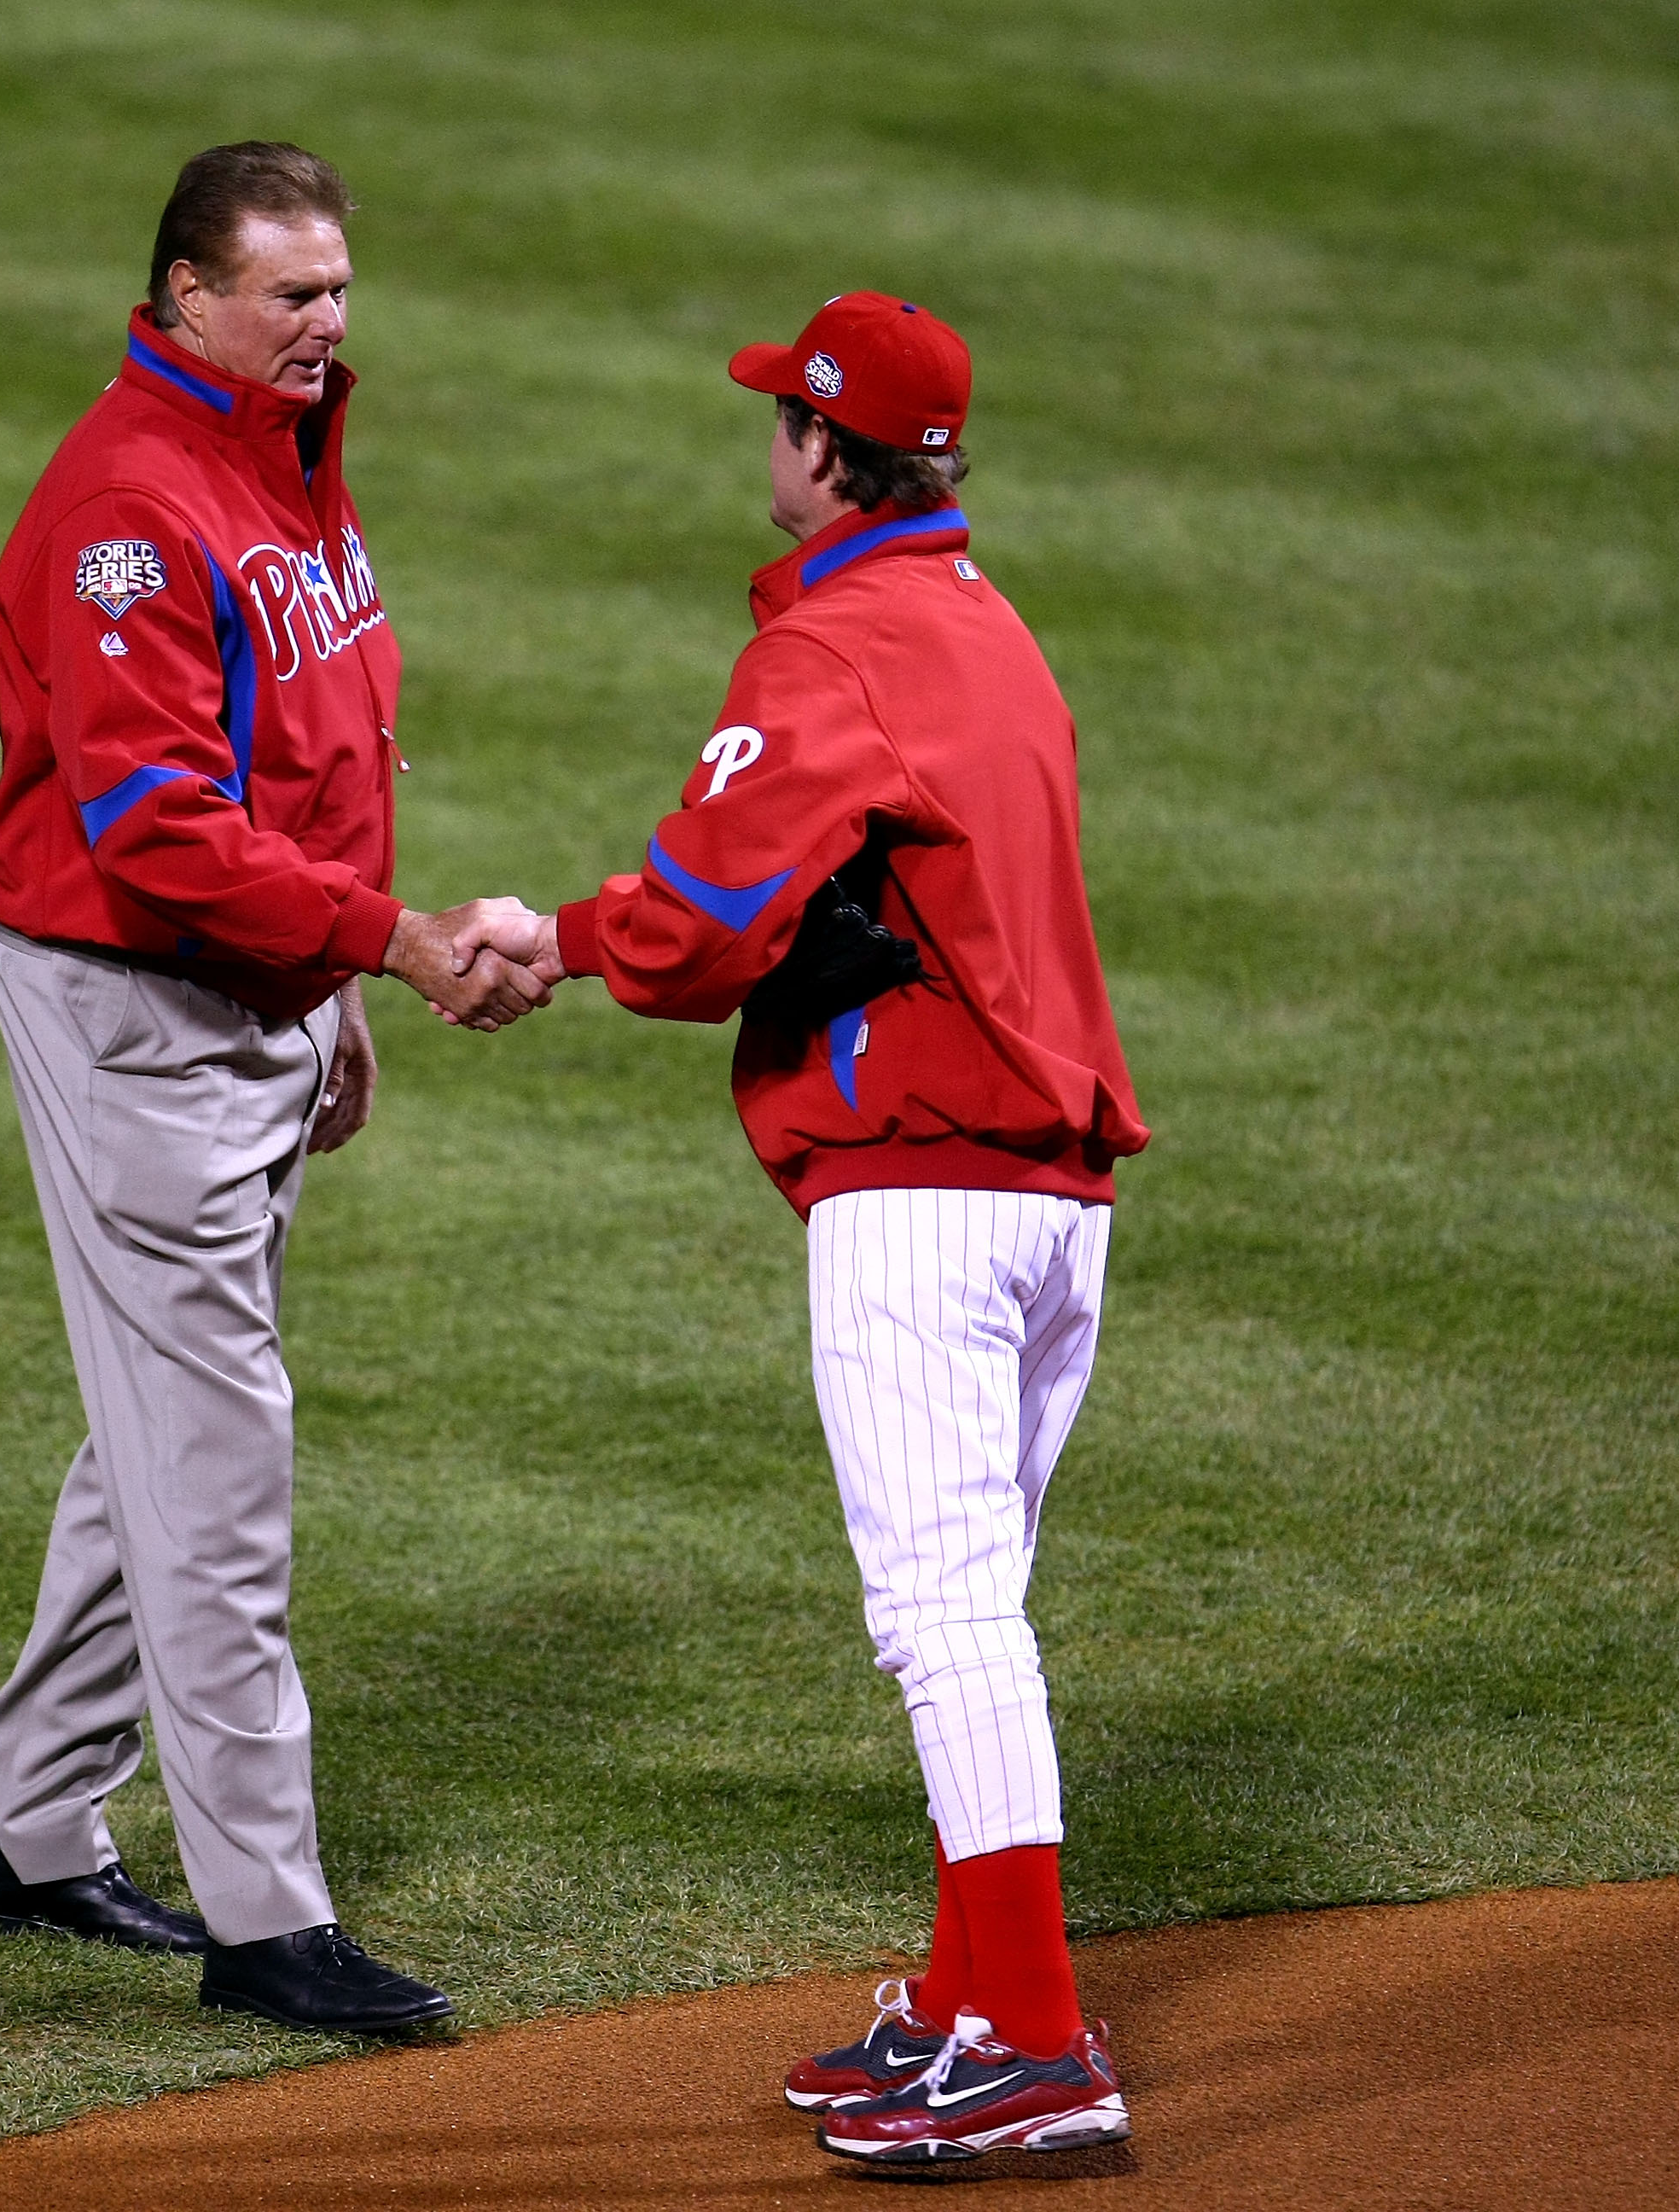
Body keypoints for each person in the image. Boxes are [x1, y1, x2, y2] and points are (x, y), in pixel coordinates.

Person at [491, 293, 1151, 2159]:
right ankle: (964, 2000)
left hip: (923, 1188)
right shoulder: (992, 631)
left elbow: (701, 924)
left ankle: (1035, 2042)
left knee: (946, 1621)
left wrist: (557, 937)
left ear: (821, 450)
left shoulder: (838, 651)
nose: (768, 432)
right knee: (979, 1611)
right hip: (1053, 1198)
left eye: (785, 410)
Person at [0, 141, 546, 2037]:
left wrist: (327, 984)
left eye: (340, 290)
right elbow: (152, 831)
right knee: (221, 1464)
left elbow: (310, 747)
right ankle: (266, 1917)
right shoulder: (134, 504)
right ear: (186, 294)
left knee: (168, 1421)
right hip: (138, 1009)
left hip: (245, 993)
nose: (326, 324)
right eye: (289, 294)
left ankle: (34, 1826)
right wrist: (383, 936)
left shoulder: (277, 458)